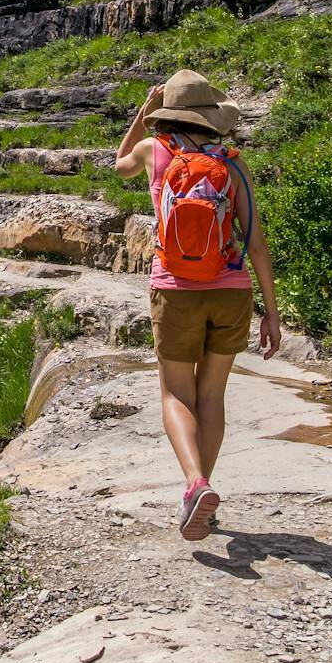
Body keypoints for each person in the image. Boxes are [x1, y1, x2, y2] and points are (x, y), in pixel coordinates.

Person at [114, 69, 281, 542]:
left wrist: (143, 113)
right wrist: (271, 311)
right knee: (211, 396)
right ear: (211, 116)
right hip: (230, 289)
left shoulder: (154, 152)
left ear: (167, 113)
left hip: (175, 289)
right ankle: (199, 491)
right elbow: (256, 241)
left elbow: (118, 162)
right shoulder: (232, 161)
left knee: (174, 395)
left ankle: (195, 484)